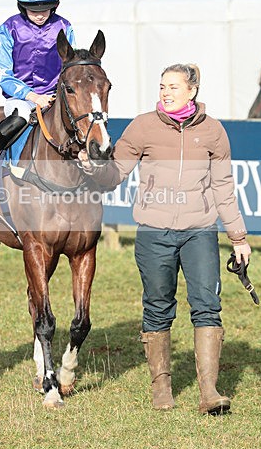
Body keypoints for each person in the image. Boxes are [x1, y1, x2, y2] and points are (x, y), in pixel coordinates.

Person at [80, 64, 251, 415]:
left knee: (207, 304)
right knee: (158, 306)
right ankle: (161, 389)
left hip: (200, 231)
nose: (166, 92)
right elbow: (116, 173)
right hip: (154, 232)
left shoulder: (214, 132)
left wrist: (238, 236)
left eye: (173, 86)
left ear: (193, 90)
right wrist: (93, 168)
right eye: (162, 86)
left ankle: (209, 392)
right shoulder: (143, 126)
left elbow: (223, 187)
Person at [0, 0, 75, 188]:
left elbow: (71, 67)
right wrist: (33, 97)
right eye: (33, 9)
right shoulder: (7, 29)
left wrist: (56, 94)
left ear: (54, 5)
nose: (39, 15)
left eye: (45, 9)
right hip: (21, 98)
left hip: (56, 95)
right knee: (17, 118)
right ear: (21, 5)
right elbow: (3, 74)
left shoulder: (64, 27)